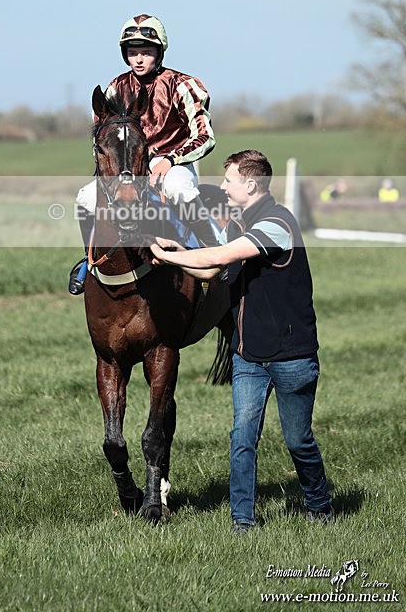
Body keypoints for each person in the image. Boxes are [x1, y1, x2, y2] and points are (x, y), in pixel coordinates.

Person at [147, 150, 333, 532]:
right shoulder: (238, 225)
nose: (223, 186)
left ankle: (319, 503)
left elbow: (225, 254)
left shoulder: (279, 223)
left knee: (298, 441)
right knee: (242, 439)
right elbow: (215, 267)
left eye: (228, 179)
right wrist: (179, 254)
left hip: (291, 356)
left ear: (250, 184)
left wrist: (176, 258)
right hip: (248, 357)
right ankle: (242, 522)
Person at [68, 13, 218, 294]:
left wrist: (170, 159)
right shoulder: (114, 88)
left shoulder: (183, 85)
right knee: (86, 197)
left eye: (146, 52)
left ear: (159, 53)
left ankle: (213, 252)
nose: (138, 59)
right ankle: (89, 262)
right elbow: (101, 141)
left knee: (178, 188)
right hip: (129, 169)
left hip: (174, 163)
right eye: (133, 52)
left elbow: (206, 137)